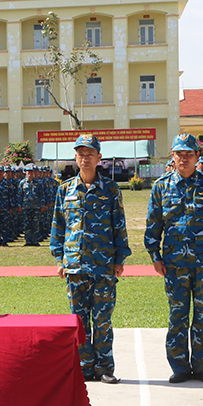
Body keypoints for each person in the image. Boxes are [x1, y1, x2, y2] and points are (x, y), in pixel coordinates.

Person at [145, 133, 203, 384]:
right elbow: (154, 225)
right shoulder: (161, 186)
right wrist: (155, 256)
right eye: (179, 154)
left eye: (189, 155)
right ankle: (180, 366)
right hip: (174, 264)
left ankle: (202, 366)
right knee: (178, 316)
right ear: (172, 156)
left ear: (197, 157)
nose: (184, 159)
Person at [50, 134, 131, 384]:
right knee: (80, 320)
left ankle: (104, 367)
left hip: (103, 264)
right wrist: (59, 260)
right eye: (80, 154)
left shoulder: (110, 189)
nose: (85, 158)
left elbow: (119, 225)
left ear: (99, 158)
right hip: (74, 265)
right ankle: (85, 367)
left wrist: (120, 259)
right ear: (76, 157)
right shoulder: (65, 190)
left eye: (90, 154)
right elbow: (58, 226)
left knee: (103, 319)